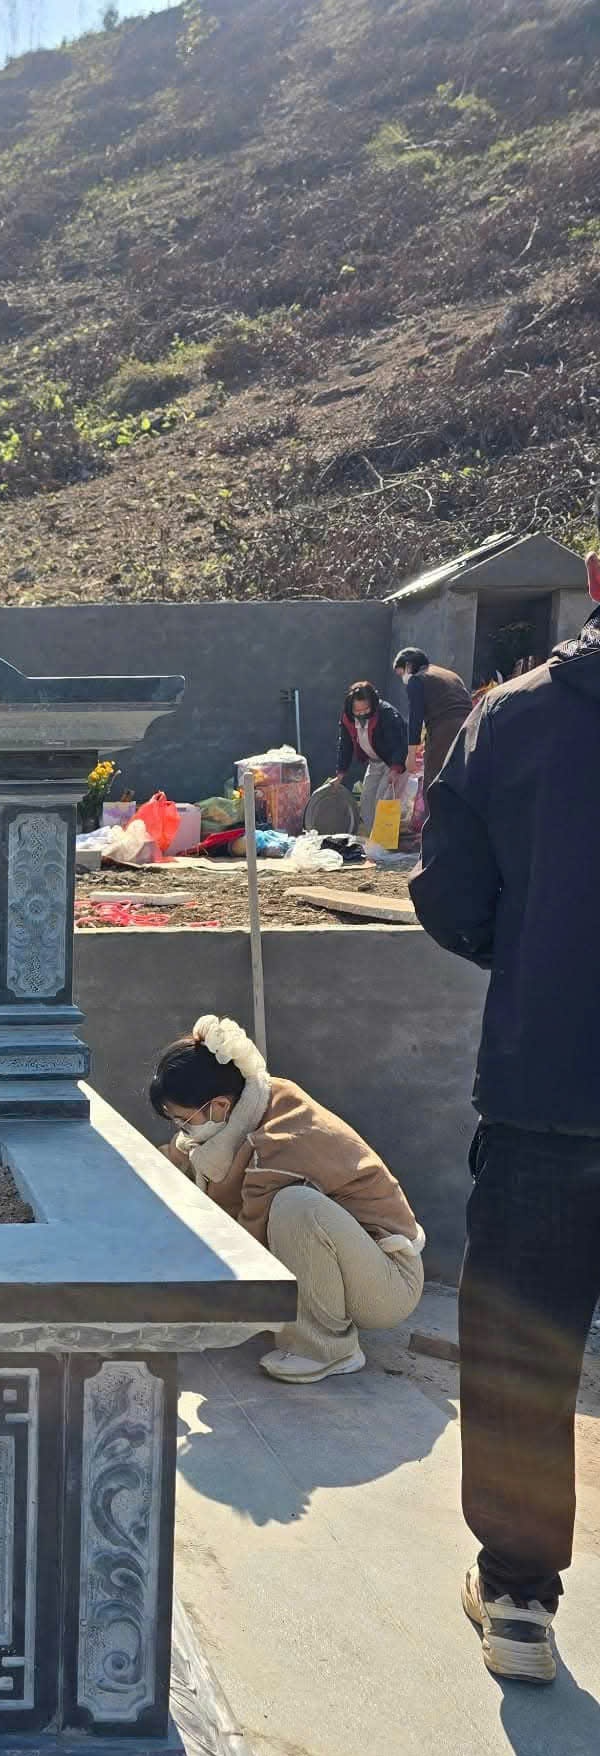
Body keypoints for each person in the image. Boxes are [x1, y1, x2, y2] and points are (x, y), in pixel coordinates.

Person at [409, 548, 600, 1684]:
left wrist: (534, 955)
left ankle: (521, 1599)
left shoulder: (513, 721)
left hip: (550, 1092)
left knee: (526, 1350)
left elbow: (450, 896)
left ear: (594, 572)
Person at [151, 1014, 425, 1385]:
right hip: (351, 1265)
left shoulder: (278, 1141)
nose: (182, 1130)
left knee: (295, 1207)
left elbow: (248, 1245)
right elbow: (179, 1158)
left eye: (184, 1120)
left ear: (219, 1105)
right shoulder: (249, 1104)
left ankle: (327, 1349)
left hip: (388, 1284)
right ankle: (310, 1321)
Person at [324, 680, 408, 836]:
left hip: (393, 762)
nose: (362, 714)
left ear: (373, 704)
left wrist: (396, 769)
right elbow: (345, 745)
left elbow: (400, 742)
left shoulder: (387, 714)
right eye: (358, 711)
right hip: (374, 762)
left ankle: (384, 842)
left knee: (383, 801)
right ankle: (372, 838)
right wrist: (340, 774)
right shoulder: (347, 718)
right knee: (367, 802)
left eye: (366, 709)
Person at [394, 645, 473, 798]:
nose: (403, 679)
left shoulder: (417, 680)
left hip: (444, 729)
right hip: (469, 728)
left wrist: (411, 755)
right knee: (458, 779)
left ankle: (432, 813)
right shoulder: (451, 675)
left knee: (433, 781)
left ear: (408, 666)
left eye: (401, 673)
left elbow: (415, 718)